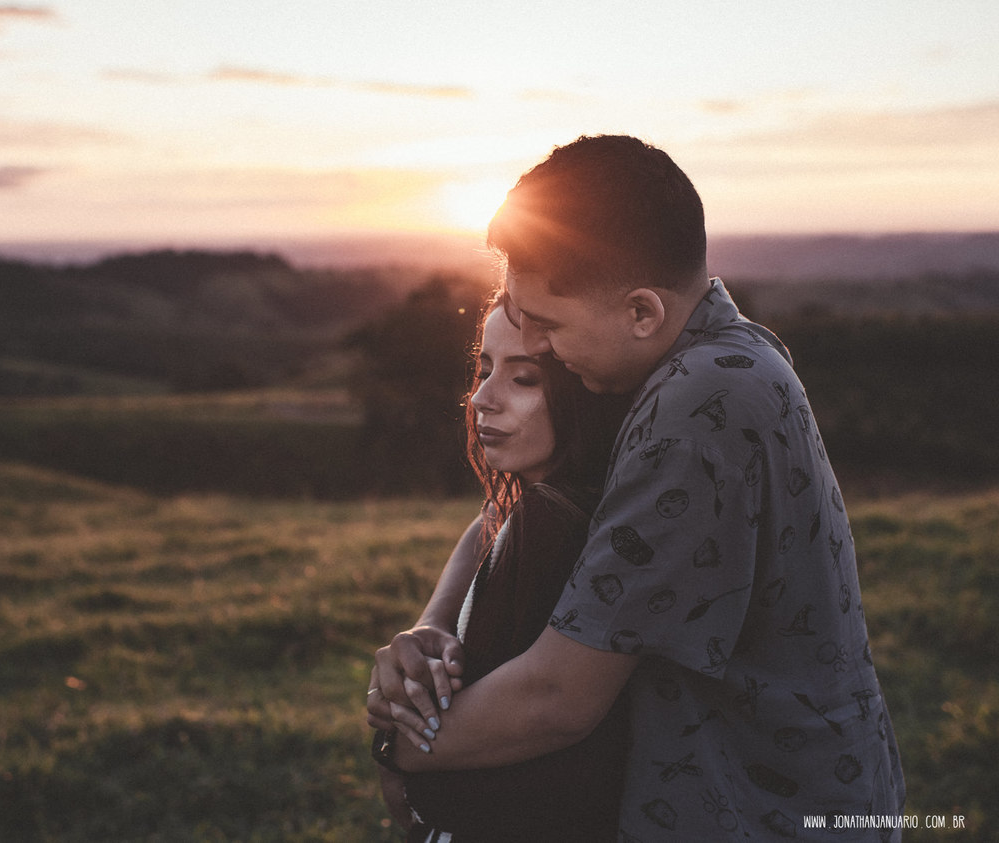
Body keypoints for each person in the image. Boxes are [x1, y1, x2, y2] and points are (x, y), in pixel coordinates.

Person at [371, 135, 905, 841]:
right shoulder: (712, 352)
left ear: (641, 312)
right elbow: (515, 512)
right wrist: (435, 627)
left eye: (551, 328)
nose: (545, 346)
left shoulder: (693, 412)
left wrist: (397, 743)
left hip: (763, 810)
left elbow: (560, 695)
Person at [367, 293, 632, 841]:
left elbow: (532, 727)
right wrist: (432, 624)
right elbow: (492, 517)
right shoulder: (533, 506)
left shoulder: (553, 527)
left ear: (585, 389)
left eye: (525, 379)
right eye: (485, 369)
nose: (481, 399)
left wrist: (393, 747)